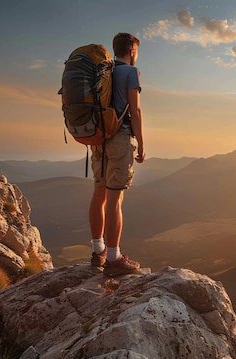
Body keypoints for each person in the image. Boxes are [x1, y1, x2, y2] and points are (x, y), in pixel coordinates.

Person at [88, 32, 146, 277]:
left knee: (99, 193)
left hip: (98, 139)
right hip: (120, 138)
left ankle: (97, 251)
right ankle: (114, 258)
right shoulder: (131, 73)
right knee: (115, 199)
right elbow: (136, 109)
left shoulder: (102, 71)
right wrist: (141, 142)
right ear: (132, 50)